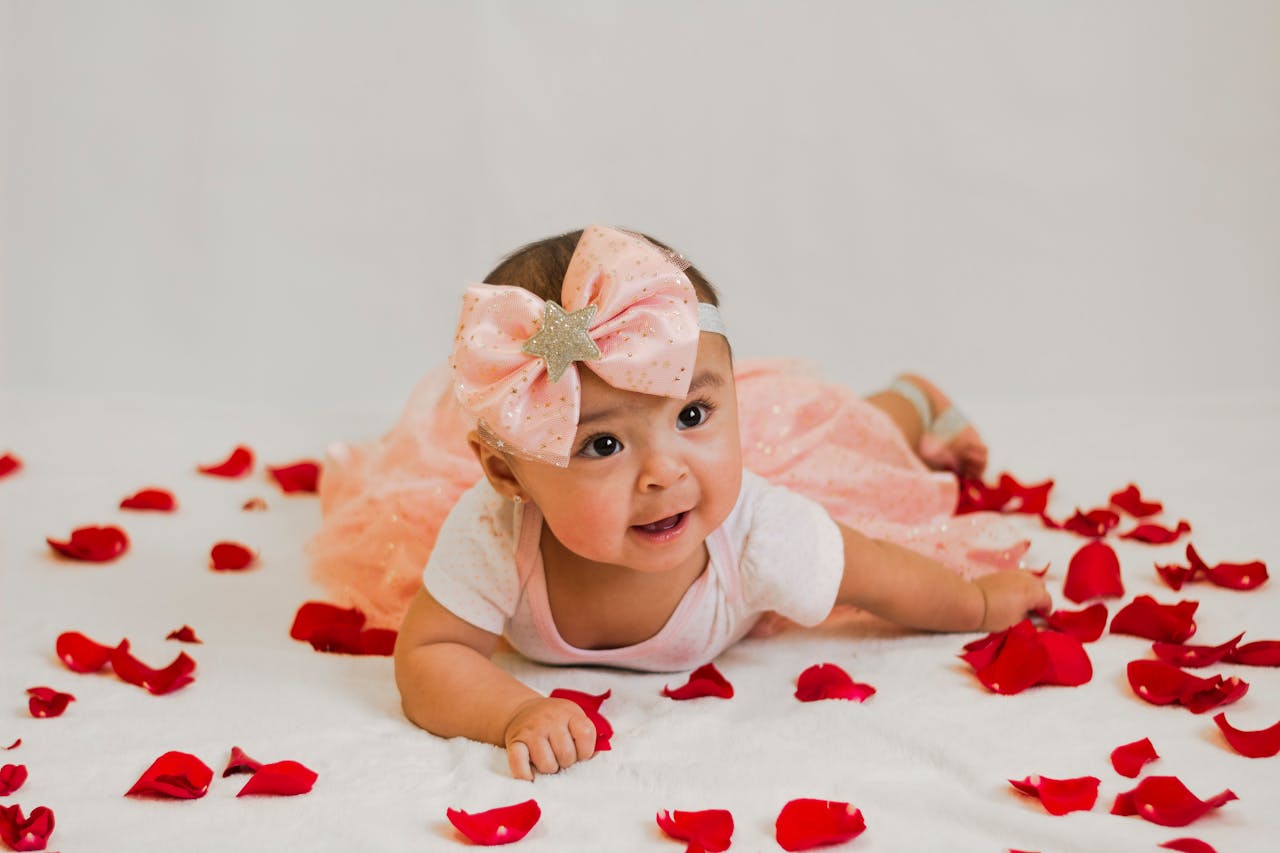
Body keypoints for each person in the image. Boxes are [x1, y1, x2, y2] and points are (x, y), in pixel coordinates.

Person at [308, 225, 1050, 781]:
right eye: (602, 446)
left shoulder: (764, 530)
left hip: (774, 481)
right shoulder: (497, 530)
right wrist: (513, 713)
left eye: (693, 415)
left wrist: (977, 604)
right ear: (510, 477)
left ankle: (911, 401)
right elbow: (430, 653)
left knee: (844, 432)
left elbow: (876, 572)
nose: (664, 471)